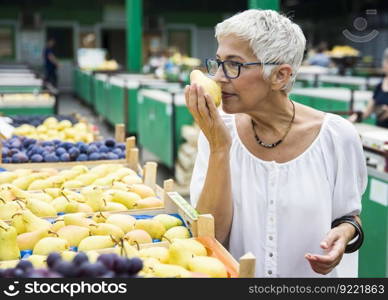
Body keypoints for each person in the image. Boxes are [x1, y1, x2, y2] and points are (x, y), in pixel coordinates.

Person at [185, 10, 366, 277]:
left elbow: (348, 217)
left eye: (234, 65)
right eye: (218, 62)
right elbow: (211, 237)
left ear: (280, 75)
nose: (219, 77)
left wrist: (345, 233)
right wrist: (219, 148)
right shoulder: (218, 131)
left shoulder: (337, 137)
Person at [349, 48, 388, 127]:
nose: (384, 64)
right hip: (379, 132)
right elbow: (368, 111)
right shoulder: (379, 86)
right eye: (385, 61)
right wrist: (356, 117)